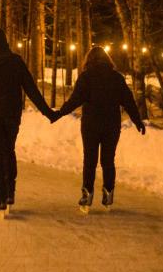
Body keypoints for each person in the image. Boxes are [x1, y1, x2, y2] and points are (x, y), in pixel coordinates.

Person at [0, 27, 58, 212]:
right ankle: (10, 192)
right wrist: (47, 112)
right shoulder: (15, 62)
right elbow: (32, 90)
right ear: (6, 43)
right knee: (9, 151)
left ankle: (0, 197)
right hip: (11, 116)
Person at [54, 46, 145, 212]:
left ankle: (87, 195)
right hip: (111, 125)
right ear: (107, 59)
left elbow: (75, 100)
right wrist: (137, 121)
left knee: (90, 160)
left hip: (91, 125)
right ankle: (108, 193)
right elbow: (128, 101)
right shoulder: (116, 78)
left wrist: (59, 113)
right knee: (108, 161)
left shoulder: (86, 77)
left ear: (89, 60)